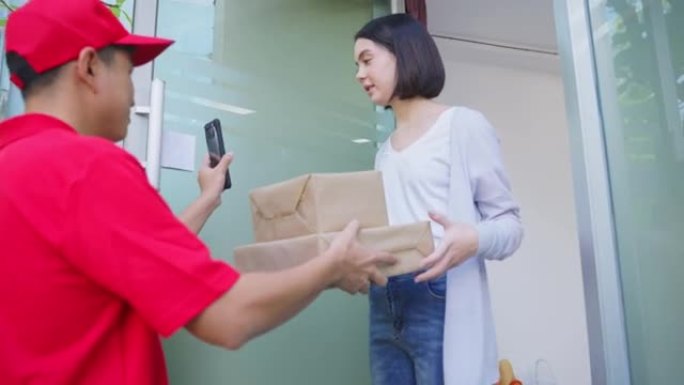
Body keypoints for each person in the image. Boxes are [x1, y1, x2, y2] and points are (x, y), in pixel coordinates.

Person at [0, 1, 395, 384]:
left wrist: (208, 198)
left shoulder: (14, 165)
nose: (135, 89)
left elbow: (140, 265)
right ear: (88, 66)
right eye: (128, 69)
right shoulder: (87, 168)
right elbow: (227, 316)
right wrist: (331, 266)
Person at [353, 13, 524, 385]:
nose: (359, 74)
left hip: (439, 292)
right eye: (357, 65)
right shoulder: (384, 152)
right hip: (385, 298)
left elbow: (510, 226)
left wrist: (473, 238)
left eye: (367, 60)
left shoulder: (462, 126)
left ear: (403, 53)